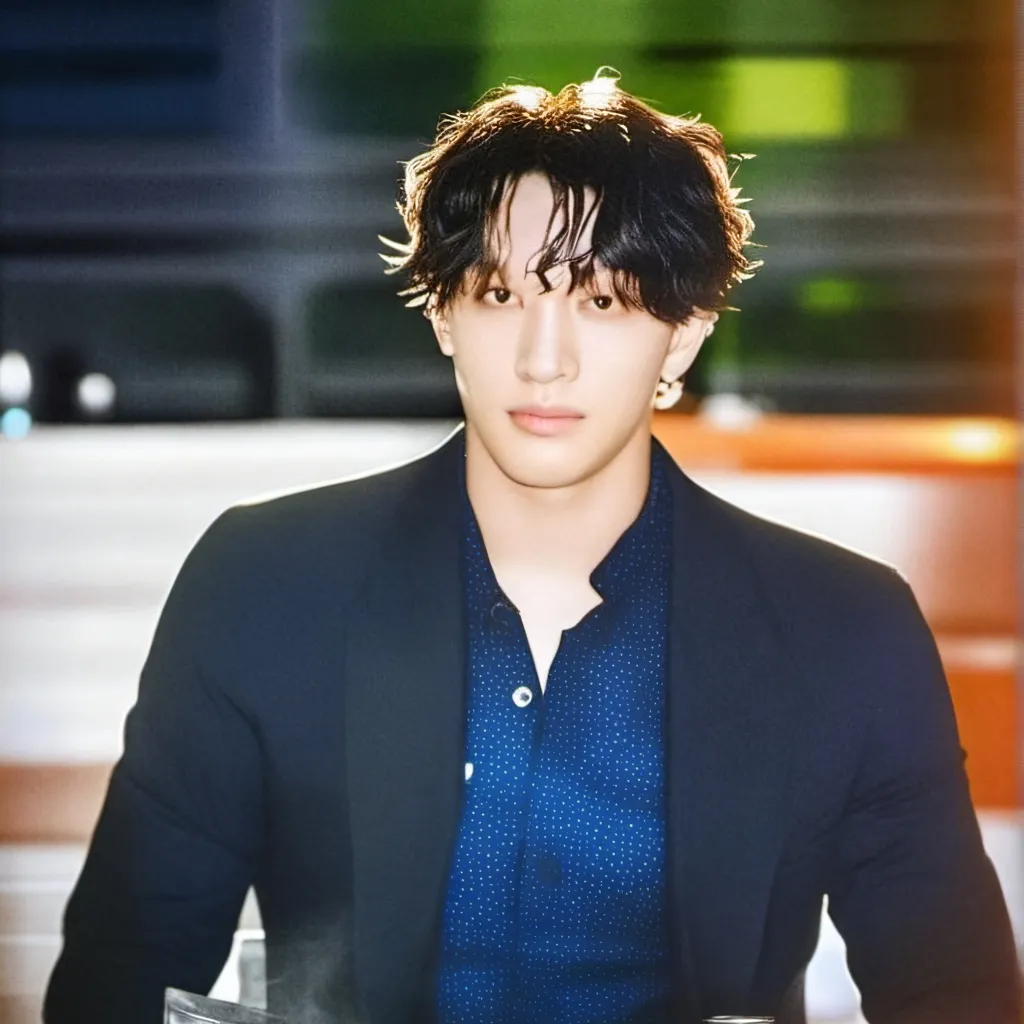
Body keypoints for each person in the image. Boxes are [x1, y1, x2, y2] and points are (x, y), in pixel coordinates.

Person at [44, 72, 1020, 1024]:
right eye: (500, 295)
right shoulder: (265, 584)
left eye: (602, 302)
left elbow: (954, 990)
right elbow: (119, 974)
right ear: (443, 314)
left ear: (682, 338)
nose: (542, 359)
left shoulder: (841, 627)